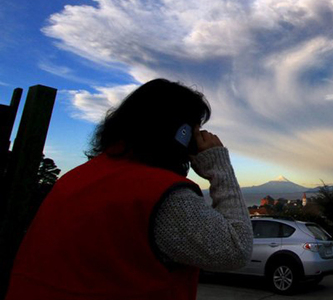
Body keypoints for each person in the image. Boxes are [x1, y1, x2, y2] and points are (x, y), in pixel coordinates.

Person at [5, 79, 252, 300]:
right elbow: (236, 250)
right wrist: (219, 166)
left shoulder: (71, 181)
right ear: (182, 134)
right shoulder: (163, 196)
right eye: (195, 130)